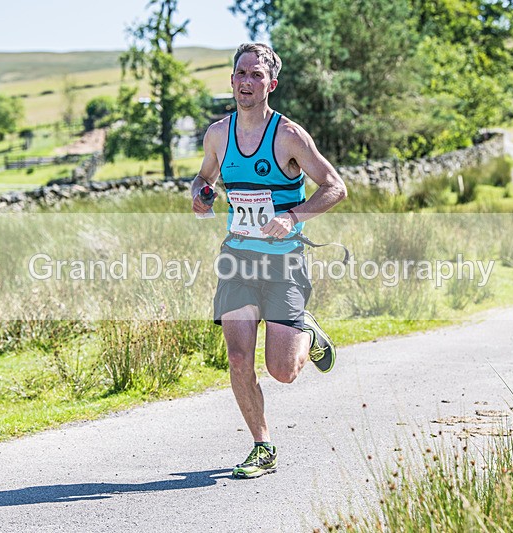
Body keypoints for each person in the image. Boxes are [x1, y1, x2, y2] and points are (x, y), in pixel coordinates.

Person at [191, 43, 347, 479]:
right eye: (240, 73)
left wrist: (294, 216)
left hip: (283, 263)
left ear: (271, 84)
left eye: (256, 75)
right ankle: (263, 446)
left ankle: (307, 332)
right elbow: (205, 177)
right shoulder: (218, 134)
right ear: (232, 79)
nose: (246, 81)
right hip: (238, 259)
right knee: (239, 359)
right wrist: (200, 194)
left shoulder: (289, 136)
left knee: (282, 371)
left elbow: (335, 186)